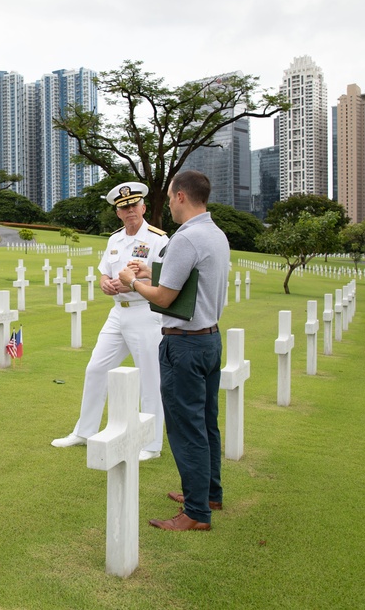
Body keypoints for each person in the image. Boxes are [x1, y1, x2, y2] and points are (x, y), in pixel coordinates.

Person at [118, 170, 229, 532]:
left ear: (181, 196)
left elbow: (165, 298)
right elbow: (190, 280)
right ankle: (209, 492)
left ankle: (196, 512)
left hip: (185, 344)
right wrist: (151, 270)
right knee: (206, 423)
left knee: (186, 428)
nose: (167, 202)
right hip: (210, 338)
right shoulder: (215, 233)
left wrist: (132, 281)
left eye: (168, 196)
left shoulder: (186, 238)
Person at [52, 182, 169, 461]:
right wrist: (105, 284)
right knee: (96, 369)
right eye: (123, 207)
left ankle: (151, 444)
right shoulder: (114, 240)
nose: (130, 211)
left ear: (143, 207)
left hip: (146, 312)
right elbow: (105, 272)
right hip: (118, 314)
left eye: (134, 205)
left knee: (151, 379)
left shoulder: (158, 239)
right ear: (117, 213)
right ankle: (85, 431)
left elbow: (166, 278)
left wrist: (134, 284)